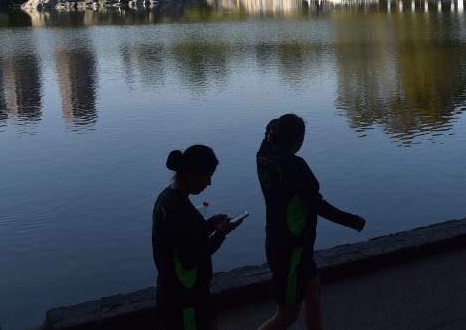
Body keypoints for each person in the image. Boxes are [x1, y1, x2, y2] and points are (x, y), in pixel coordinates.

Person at [256, 114, 365, 330]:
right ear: (299, 140)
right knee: (286, 316)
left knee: (313, 289)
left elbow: (267, 137)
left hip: (282, 242)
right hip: (291, 250)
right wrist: (352, 221)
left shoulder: (263, 158)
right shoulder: (295, 166)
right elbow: (317, 205)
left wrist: (271, 130)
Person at [152, 145, 244, 330]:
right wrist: (220, 233)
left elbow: (185, 239)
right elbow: (190, 258)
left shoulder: (170, 197)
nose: (209, 183)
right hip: (184, 297)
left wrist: (209, 224)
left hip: (185, 293)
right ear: (193, 175)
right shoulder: (176, 208)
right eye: (208, 176)